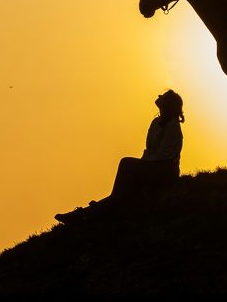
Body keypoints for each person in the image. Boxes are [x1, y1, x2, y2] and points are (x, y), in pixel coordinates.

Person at [55, 89, 185, 224]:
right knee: (121, 191)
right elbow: (150, 151)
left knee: (126, 165)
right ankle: (86, 213)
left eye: (163, 97)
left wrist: (140, 169)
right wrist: (141, 169)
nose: (159, 97)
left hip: (165, 171)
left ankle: (86, 213)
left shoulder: (172, 126)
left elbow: (163, 156)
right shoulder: (156, 122)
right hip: (153, 167)